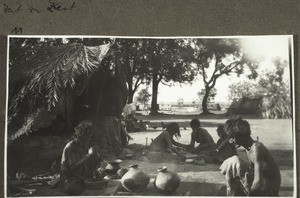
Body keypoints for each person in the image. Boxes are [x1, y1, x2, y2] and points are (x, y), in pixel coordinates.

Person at [220, 118, 281, 196]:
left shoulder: (256, 148)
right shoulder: (249, 148)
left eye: (232, 138)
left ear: (240, 136)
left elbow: (258, 182)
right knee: (233, 166)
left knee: (235, 162)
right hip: (263, 186)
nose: (230, 141)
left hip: (269, 191)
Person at [60, 120, 102, 195]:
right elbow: (72, 167)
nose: (88, 140)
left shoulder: (84, 145)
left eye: (89, 138)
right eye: (86, 139)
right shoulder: (70, 147)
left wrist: (97, 165)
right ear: (80, 136)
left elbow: (87, 163)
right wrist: (88, 156)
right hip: (70, 178)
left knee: (98, 184)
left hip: (81, 176)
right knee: (76, 189)